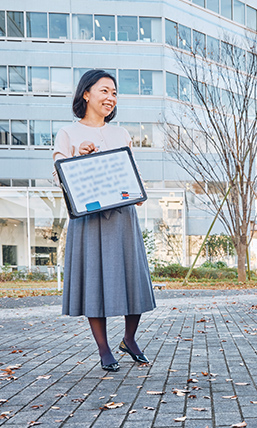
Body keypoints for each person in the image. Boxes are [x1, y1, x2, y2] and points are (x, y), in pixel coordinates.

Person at [53, 69, 155, 372]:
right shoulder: (69, 133)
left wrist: (136, 192)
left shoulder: (121, 134)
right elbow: (59, 172)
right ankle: (103, 349)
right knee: (94, 281)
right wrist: (78, 157)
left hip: (123, 216)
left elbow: (131, 173)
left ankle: (129, 339)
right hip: (89, 219)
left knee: (132, 279)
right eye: (104, 91)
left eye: (114, 93)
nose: (110, 98)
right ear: (86, 93)